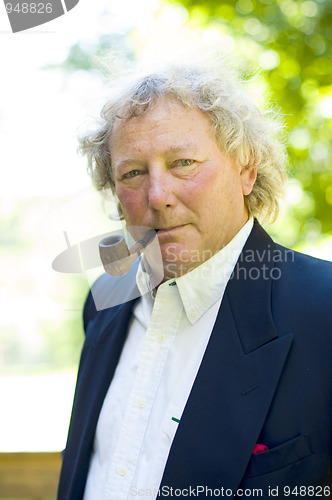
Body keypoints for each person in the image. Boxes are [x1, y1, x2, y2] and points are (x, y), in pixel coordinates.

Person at [57, 59, 332, 500]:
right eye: (133, 172)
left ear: (247, 169)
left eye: (183, 162)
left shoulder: (324, 310)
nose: (158, 196)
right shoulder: (104, 300)